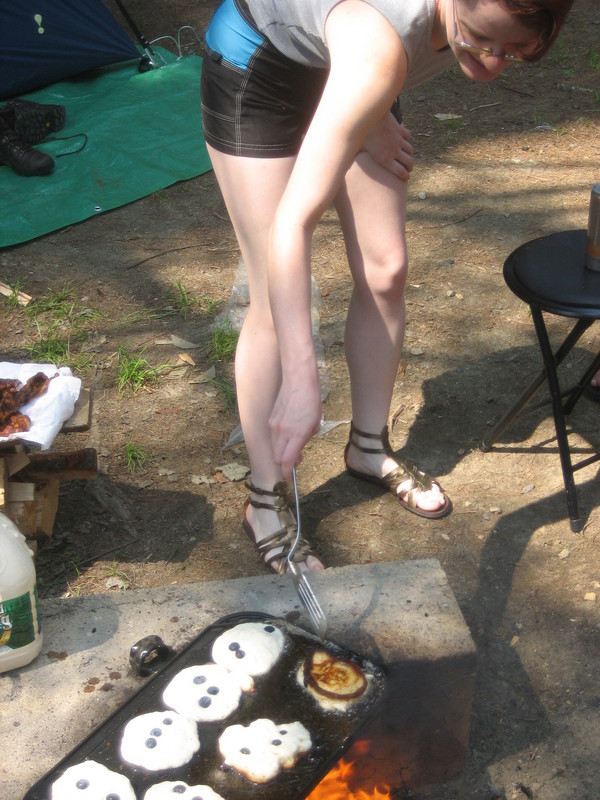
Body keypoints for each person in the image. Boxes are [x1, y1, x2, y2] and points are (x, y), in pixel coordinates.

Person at [200, 0, 574, 573]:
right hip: (263, 65)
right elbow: (291, 225)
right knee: (274, 296)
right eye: (479, 40)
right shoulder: (381, 44)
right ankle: (265, 500)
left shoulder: (398, 48)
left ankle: (368, 447)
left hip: (353, 61)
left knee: (385, 269)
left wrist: (370, 116)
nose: (494, 64)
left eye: (516, 52)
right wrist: (305, 383)